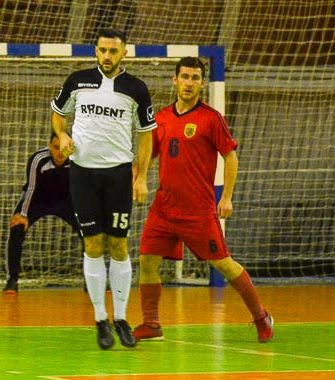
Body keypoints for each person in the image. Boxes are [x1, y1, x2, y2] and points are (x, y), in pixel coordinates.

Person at [133, 57, 274, 343]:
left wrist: (228, 197)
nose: (189, 83)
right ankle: (152, 324)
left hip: (198, 211)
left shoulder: (211, 118)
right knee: (147, 260)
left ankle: (261, 316)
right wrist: (138, 177)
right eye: (184, 76)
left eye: (195, 78)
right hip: (163, 208)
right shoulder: (160, 118)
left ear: (202, 83)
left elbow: (230, 156)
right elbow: (148, 154)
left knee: (224, 264)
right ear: (175, 80)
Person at [51, 28, 155, 350]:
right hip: (83, 174)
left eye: (113, 51)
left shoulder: (136, 89)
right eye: (102, 50)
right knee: (93, 244)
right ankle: (100, 319)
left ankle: (121, 317)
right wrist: (63, 135)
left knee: (119, 245)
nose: (107, 56)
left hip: (119, 175)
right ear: (95, 51)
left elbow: (146, 134)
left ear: (125, 53)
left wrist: (141, 177)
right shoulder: (77, 80)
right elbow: (58, 113)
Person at [3, 132, 81, 294]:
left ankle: (94, 280)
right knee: (17, 227)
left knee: (90, 231)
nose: (60, 153)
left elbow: (83, 190)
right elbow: (30, 188)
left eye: (64, 149)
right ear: (49, 147)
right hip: (37, 200)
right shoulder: (38, 159)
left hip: (67, 201)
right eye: (55, 148)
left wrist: (88, 214)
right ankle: (12, 280)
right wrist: (23, 214)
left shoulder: (78, 160)